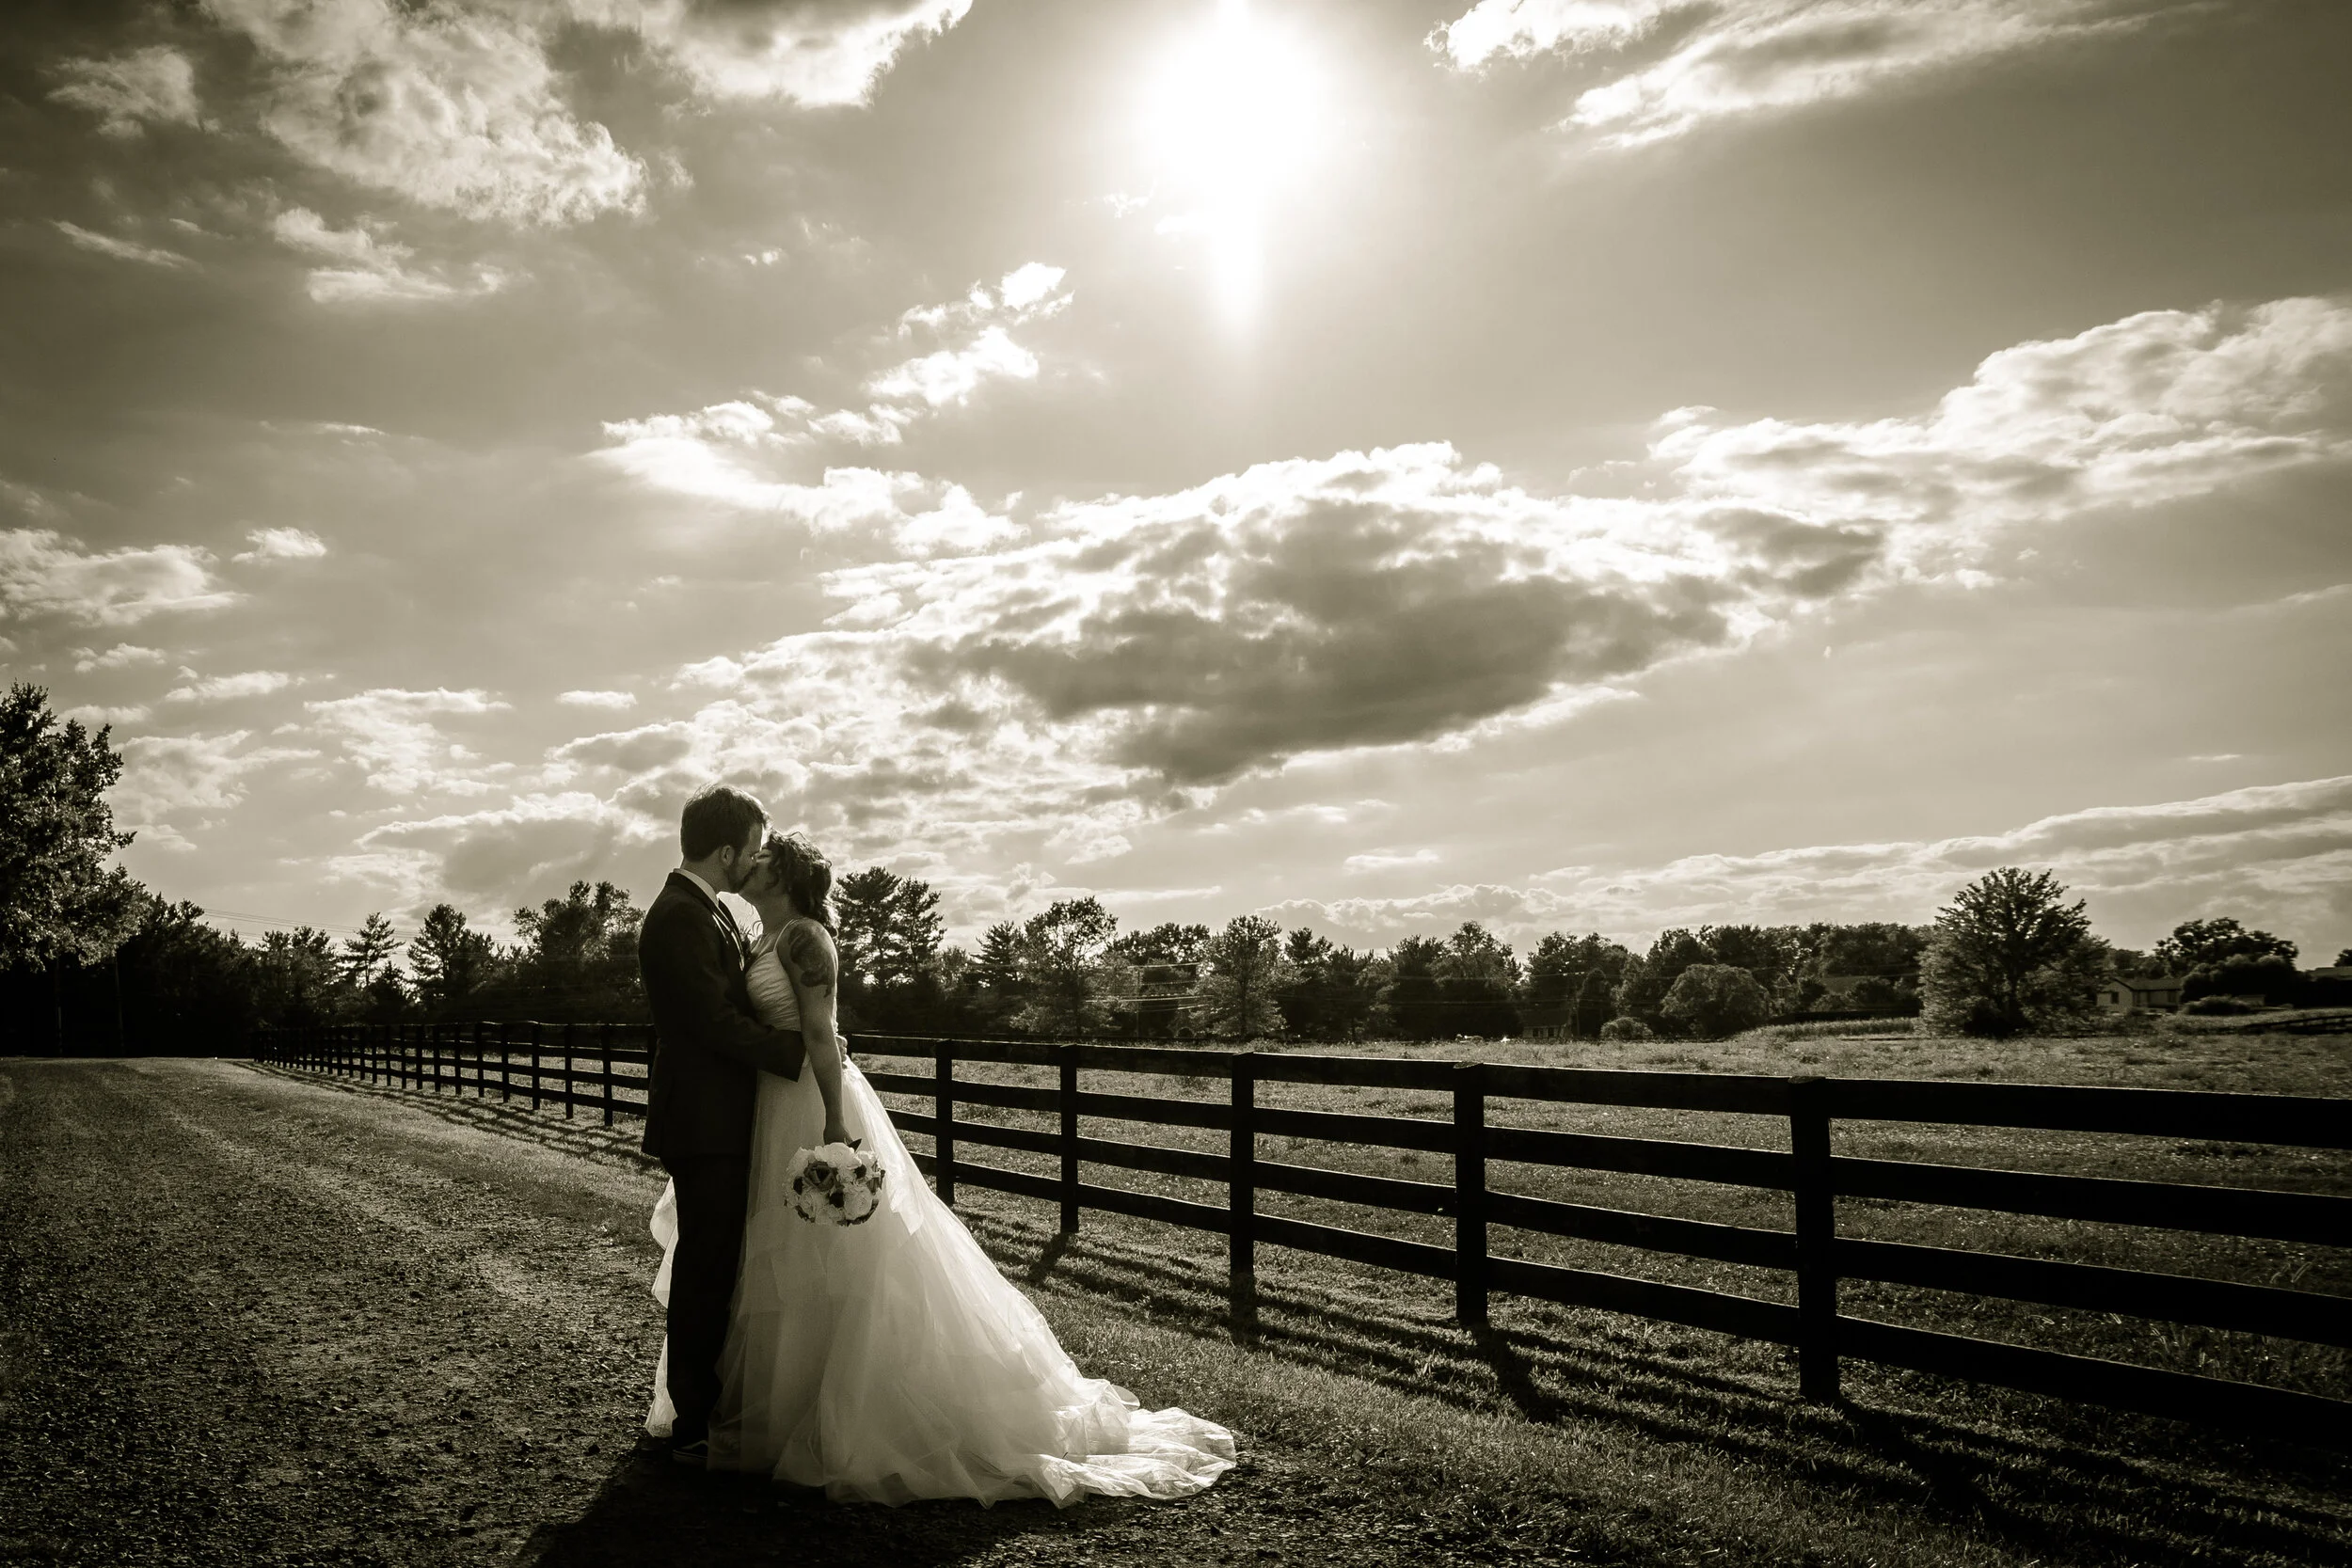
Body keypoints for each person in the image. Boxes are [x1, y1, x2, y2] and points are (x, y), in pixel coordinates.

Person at [644, 828, 1234, 1505]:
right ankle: (782, 1407)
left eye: (766, 858)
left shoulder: (806, 938)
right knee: (778, 1254)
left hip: (811, 1097)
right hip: (770, 1100)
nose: (752, 862)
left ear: (785, 876)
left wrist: (836, 1123)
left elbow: (816, 1030)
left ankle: (844, 1412)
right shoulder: (760, 937)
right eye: (752, 852)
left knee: (840, 1261)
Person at [636, 784, 806, 1468]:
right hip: (704, 1120)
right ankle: (693, 1420)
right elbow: (710, 1021)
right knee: (705, 1268)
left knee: (715, 1262)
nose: (757, 862)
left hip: (719, 1116)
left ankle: (704, 1405)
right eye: (753, 849)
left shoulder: (706, 912)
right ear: (727, 850)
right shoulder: (679, 916)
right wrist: (792, 1053)